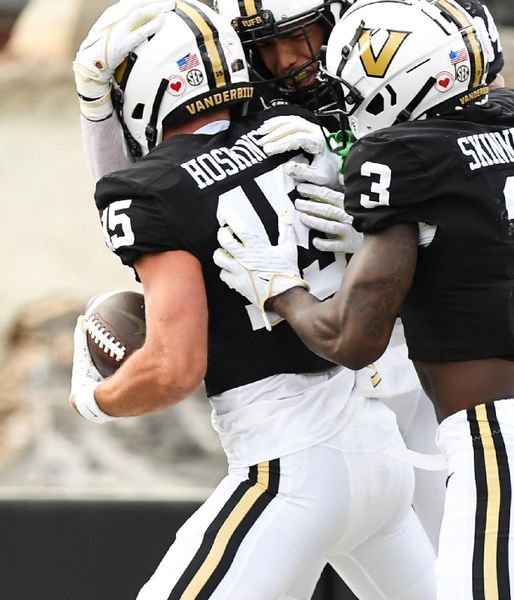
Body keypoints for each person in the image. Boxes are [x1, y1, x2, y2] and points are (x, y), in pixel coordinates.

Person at [213, 0, 514, 598]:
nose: (346, 102)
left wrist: (282, 290)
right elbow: (463, 210)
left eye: (355, 87)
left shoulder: (398, 160)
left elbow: (353, 341)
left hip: (500, 451)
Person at [68, 1, 436, 598]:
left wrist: (96, 400)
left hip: (289, 465)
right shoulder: (293, 133)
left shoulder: (148, 191)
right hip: (380, 454)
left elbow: (171, 367)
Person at [212, 0, 507, 548]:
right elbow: (152, 202)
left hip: (418, 359)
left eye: (302, 34)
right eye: (263, 48)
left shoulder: (400, 63)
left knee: (458, 547)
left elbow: (484, 215)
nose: (287, 60)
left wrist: (391, 233)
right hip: (320, 382)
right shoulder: (245, 116)